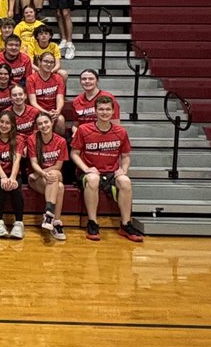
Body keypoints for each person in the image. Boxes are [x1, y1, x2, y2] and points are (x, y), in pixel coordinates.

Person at [71, 96, 142, 243]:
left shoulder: (120, 132)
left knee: (125, 181)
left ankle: (125, 224)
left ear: (113, 112)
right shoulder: (84, 129)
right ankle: (92, 223)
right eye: (101, 109)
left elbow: (125, 156)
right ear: (95, 111)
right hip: (90, 172)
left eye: (108, 109)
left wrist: (124, 169)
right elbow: (74, 153)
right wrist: (86, 168)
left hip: (111, 173)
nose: (104, 112)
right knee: (93, 178)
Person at [0, 110, 25, 239]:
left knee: (15, 187)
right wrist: (3, 178)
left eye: (7, 123)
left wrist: (12, 178)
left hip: (12, 171)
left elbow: (17, 160)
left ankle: (19, 223)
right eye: (1, 122)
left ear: (13, 125)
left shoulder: (18, 138)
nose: (4, 125)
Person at [28, 111, 68, 241]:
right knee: (60, 187)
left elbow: (58, 166)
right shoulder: (32, 139)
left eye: (46, 122)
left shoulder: (61, 141)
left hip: (50, 174)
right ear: (37, 126)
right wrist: (41, 173)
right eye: (40, 124)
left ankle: (49, 214)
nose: (44, 125)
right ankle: (55, 222)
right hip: (36, 178)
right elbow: (34, 163)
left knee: (55, 173)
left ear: (52, 122)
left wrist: (44, 173)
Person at [27, 51, 67, 134]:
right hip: (38, 112)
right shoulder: (31, 79)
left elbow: (60, 98)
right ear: (39, 62)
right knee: (42, 121)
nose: (49, 64)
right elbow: (33, 102)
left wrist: (57, 111)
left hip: (53, 111)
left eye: (51, 62)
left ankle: (59, 144)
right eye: (46, 61)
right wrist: (46, 113)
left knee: (61, 119)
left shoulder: (58, 78)